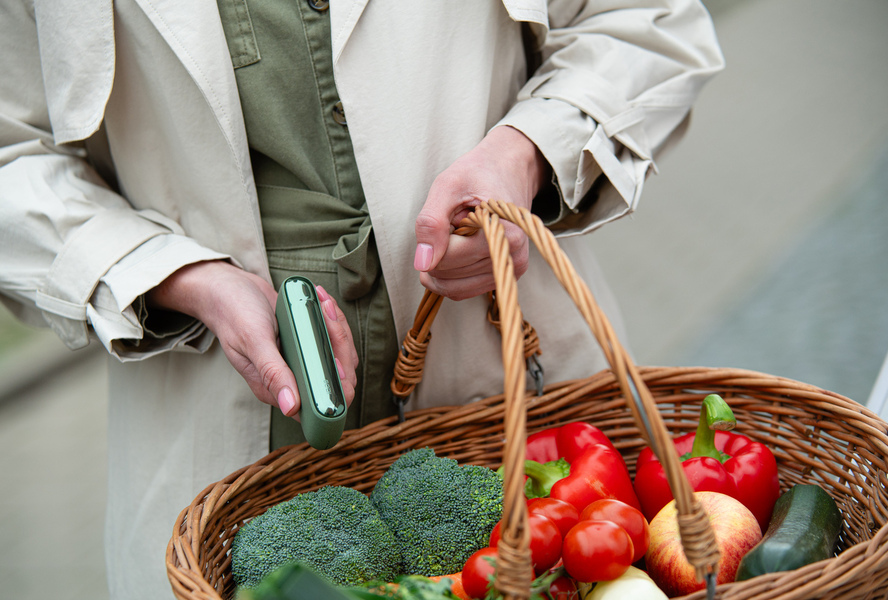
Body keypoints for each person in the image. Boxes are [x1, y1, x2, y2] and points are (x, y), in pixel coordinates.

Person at [0, 1, 723, 598]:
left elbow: (644, 19)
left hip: (517, 395)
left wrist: (524, 152)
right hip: (213, 419)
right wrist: (183, 278)